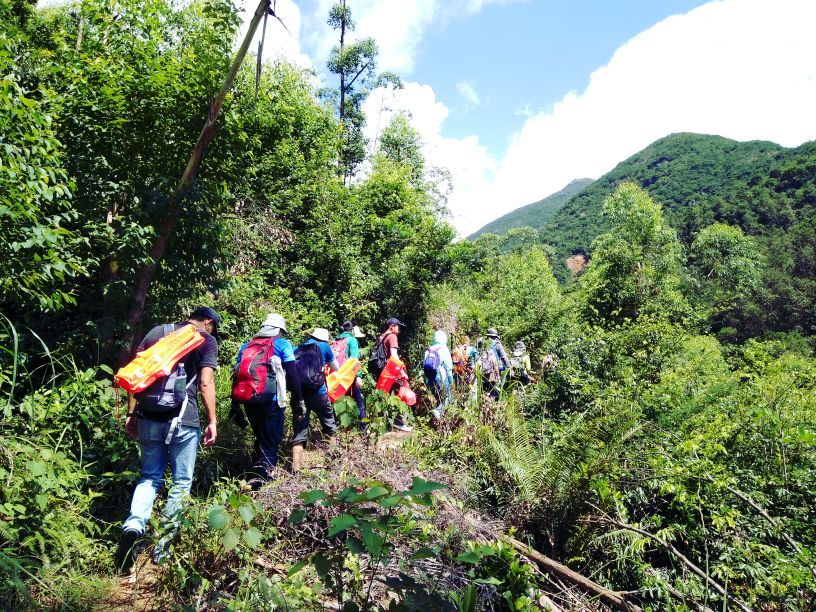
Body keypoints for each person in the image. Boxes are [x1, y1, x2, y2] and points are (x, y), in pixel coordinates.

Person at [116, 306, 220, 573]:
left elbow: (134, 375)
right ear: (207, 322)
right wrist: (212, 421)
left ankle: (133, 526)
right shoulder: (206, 340)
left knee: (149, 476)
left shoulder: (157, 332)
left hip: (149, 416)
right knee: (181, 482)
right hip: (184, 419)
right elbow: (206, 383)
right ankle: (164, 548)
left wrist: (132, 413)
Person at [231, 313, 304, 485]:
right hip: (272, 400)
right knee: (271, 440)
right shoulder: (282, 344)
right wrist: (299, 400)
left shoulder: (246, 346)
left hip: (249, 399)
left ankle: (254, 471)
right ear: (278, 330)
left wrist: (235, 405)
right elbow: (292, 374)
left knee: (260, 436)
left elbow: (236, 375)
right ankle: (259, 480)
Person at [291, 328, 340, 471]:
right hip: (318, 393)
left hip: (299, 395)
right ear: (324, 339)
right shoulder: (324, 347)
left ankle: (296, 470)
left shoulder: (297, 348)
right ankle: (334, 465)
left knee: (299, 431)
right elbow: (336, 368)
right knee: (330, 427)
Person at [370, 317, 413, 432]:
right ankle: (398, 422)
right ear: (392, 326)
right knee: (401, 394)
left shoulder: (381, 337)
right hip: (391, 372)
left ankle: (377, 423)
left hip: (382, 370)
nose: (399, 329)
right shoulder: (392, 336)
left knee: (382, 396)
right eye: (398, 326)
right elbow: (394, 356)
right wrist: (402, 371)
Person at [336, 320, 366, 428]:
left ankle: (337, 430)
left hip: (337, 376)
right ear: (352, 330)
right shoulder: (352, 340)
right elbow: (354, 359)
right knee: (359, 403)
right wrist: (358, 376)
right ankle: (363, 429)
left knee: (338, 402)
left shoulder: (337, 339)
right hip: (349, 376)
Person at [424, 330, 453, 420]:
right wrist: (451, 380)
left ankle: (437, 420)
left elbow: (425, 366)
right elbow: (448, 367)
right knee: (447, 397)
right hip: (441, 377)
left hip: (430, 378)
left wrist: (426, 381)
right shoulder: (444, 349)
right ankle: (437, 412)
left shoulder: (429, 350)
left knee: (437, 398)